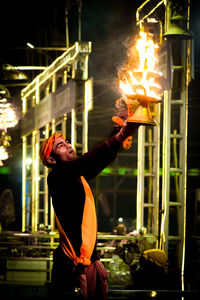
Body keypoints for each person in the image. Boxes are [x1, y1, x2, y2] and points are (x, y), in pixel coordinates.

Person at [39, 120, 138, 299]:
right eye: (61, 146)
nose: (68, 145)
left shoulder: (77, 176)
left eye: (67, 141)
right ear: (52, 160)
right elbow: (87, 160)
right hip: (70, 265)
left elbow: (100, 160)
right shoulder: (57, 177)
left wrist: (118, 131)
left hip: (85, 260)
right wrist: (119, 137)